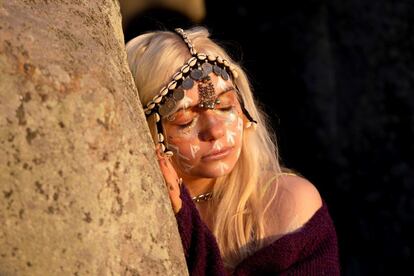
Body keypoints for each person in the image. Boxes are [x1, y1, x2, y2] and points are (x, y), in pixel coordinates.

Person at [126, 26, 340, 275]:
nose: (214, 130)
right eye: (185, 120)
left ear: (245, 109)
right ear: (148, 132)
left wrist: (188, 226)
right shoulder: (135, 212)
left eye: (225, 106)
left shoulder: (288, 205)